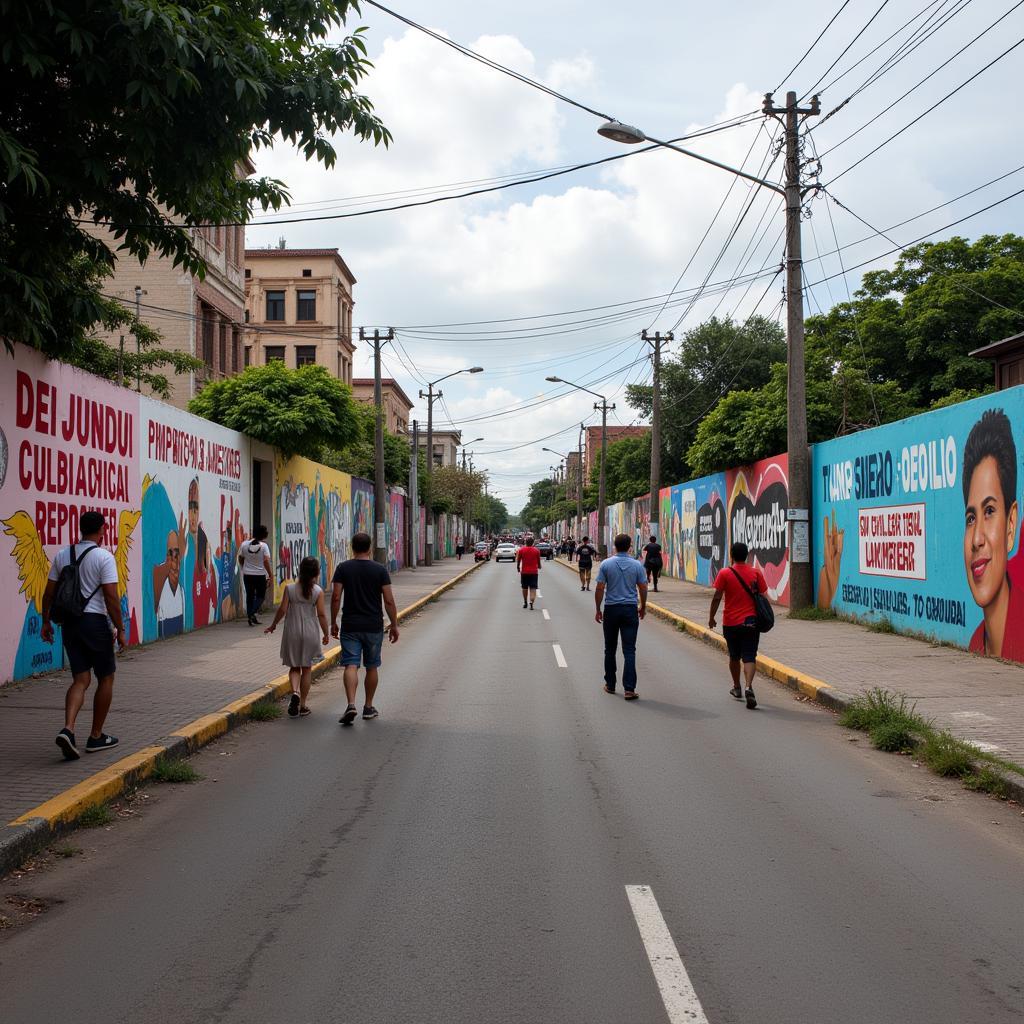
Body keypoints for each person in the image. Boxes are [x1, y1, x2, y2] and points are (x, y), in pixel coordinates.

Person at [41, 510, 125, 759]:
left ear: (80, 529)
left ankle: (68, 729)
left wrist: (46, 622)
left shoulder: (62, 554)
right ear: (102, 530)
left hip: (70, 623)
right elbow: (111, 597)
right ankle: (96, 736)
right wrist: (120, 629)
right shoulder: (104, 557)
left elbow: (48, 594)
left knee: (81, 680)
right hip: (94, 623)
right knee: (106, 678)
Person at [962, 408, 1023, 661]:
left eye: (989, 511)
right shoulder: (975, 643)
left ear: (1011, 525)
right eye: (971, 518)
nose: (976, 539)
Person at [330, 531, 400, 726]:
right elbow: (388, 599)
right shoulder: (380, 570)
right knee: (371, 666)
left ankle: (351, 704)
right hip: (373, 625)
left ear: (352, 547)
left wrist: (333, 621)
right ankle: (368, 707)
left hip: (351, 625)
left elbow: (336, 597)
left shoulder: (343, 568)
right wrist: (394, 624)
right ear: (369, 548)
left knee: (350, 664)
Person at [265, 556, 329, 717]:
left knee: (294, 667)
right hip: (310, 632)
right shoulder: (318, 592)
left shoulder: (290, 588)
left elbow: (282, 610)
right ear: (316, 573)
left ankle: (295, 692)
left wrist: (273, 625)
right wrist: (327, 633)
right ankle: (302, 705)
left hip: (292, 631)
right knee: (306, 669)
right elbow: (321, 614)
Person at [709, 541, 768, 710]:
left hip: (731, 622)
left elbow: (717, 597)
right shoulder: (756, 572)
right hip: (751, 621)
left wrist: (711, 617)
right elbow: (763, 595)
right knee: (749, 655)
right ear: (747, 555)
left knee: (734, 656)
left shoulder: (725, 573)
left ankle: (737, 687)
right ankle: (749, 686)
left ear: (732, 555)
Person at [594, 533, 648, 700]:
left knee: (610, 649)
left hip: (611, 609)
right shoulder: (637, 565)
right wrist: (643, 606)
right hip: (629, 609)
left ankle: (610, 684)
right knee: (629, 650)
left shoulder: (606, 564)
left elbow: (600, 588)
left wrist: (598, 608)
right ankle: (629, 689)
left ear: (615, 546)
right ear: (630, 546)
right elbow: (643, 587)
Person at [239, 525, 273, 626]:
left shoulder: (244, 544)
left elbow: (241, 558)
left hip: (247, 575)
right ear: (264, 535)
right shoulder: (264, 546)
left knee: (250, 596)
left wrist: (244, 566)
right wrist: (270, 575)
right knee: (261, 596)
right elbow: (266, 560)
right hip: (260, 575)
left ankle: (251, 615)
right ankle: (252, 613)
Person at [516, 534, 542, 610]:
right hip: (534, 572)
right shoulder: (536, 551)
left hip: (524, 572)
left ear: (525, 542)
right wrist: (539, 566)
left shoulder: (521, 550)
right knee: (533, 588)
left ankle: (525, 601)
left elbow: (518, 560)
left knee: (524, 587)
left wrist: (518, 567)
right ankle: (531, 601)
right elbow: (538, 561)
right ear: (533, 543)